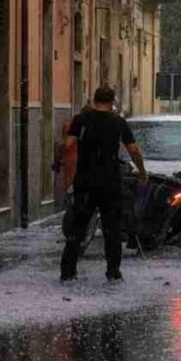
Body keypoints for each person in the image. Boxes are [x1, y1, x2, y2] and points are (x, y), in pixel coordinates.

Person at [60, 85, 147, 282]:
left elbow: (68, 144)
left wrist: (58, 161)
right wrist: (142, 171)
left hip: (85, 181)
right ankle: (113, 272)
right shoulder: (118, 122)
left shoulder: (81, 120)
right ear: (112, 101)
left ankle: (67, 271)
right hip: (110, 182)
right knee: (112, 229)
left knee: (78, 227)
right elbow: (133, 150)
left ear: (94, 99)